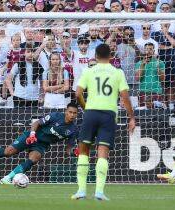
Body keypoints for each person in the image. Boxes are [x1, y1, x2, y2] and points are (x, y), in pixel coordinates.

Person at [72, 44, 135, 201]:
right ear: (111, 56)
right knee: (103, 152)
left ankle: (81, 190)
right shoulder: (117, 72)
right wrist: (131, 117)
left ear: (96, 55)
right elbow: (125, 97)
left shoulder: (88, 70)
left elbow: (78, 93)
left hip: (91, 113)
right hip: (108, 115)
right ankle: (99, 192)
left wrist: (85, 107)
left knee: (84, 150)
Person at [0, 102, 79, 184]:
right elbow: (36, 123)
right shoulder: (55, 116)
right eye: (70, 112)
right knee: (8, 152)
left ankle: (8, 178)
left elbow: (68, 149)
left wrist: (74, 152)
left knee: (34, 159)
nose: (72, 115)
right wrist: (32, 134)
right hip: (32, 135)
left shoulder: (73, 130)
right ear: (66, 111)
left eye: (74, 113)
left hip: (42, 144)